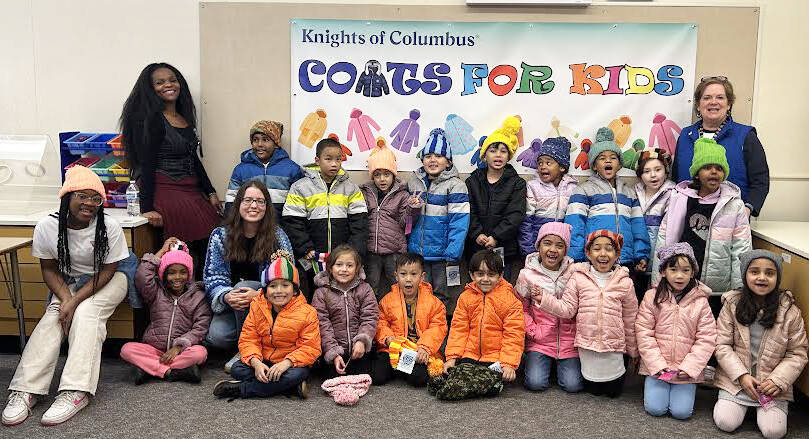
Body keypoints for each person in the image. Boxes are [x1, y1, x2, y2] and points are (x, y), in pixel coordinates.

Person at [2, 166, 129, 426]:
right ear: (67, 196)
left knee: (86, 313)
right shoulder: (47, 226)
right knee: (54, 317)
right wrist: (64, 300)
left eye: (96, 198)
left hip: (110, 278)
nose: (89, 203)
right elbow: (49, 269)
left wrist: (73, 301)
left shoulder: (109, 226)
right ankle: (26, 389)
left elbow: (108, 271)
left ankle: (76, 390)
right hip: (69, 281)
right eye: (82, 196)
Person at [119, 63, 221, 277]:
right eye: (160, 82)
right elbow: (145, 164)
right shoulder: (150, 120)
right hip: (164, 187)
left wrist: (210, 191)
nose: (168, 85)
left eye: (172, 80)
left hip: (190, 188)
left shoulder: (183, 117)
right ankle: (182, 286)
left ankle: (202, 286)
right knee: (185, 236)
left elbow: (193, 158)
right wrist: (147, 207)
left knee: (214, 229)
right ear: (150, 89)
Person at [713, 250, 808, 439]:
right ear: (745, 275)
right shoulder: (731, 305)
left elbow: (797, 353)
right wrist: (741, 376)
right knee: (726, 422)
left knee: (774, 432)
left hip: (771, 386)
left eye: (770, 273)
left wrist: (777, 381)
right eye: (754, 271)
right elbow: (722, 345)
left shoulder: (789, 311)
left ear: (777, 277)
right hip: (736, 382)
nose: (762, 277)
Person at [534, 230, 639, 398]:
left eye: (609, 249)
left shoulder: (625, 282)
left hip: (614, 347)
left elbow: (630, 318)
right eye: (597, 249)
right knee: (593, 391)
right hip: (587, 346)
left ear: (617, 254)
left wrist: (633, 351)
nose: (603, 254)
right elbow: (567, 309)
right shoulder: (578, 278)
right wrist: (545, 299)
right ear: (588, 253)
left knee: (613, 392)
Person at [653, 138, 752, 316]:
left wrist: (739, 288)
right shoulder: (679, 199)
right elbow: (663, 242)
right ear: (697, 173)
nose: (714, 172)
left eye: (719, 168)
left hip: (716, 288)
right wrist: (656, 282)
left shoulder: (734, 205)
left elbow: (741, 248)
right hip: (681, 282)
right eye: (707, 167)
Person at [203, 180, 293, 371]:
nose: (254, 206)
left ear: (267, 207)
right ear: (238, 204)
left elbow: (287, 279)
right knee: (217, 337)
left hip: (268, 306)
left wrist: (260, 296)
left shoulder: (277, 236)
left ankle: (247, 352)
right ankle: (262, 344)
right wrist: (225, 296)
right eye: (248, 200)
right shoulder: (220, 235)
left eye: (260, 201)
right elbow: (212, 276)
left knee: (243, 288)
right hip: (233, 304)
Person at [213, 252, 321, 399]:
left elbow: (310, 348)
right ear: (265, 290)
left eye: (285, 285)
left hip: (289, 364)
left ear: (295, 290)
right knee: (237, 369)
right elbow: (248, 339)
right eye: (273, 286)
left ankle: (242, 389)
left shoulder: (308, 313)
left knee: (298, 373)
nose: (279, 291)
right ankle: (288, 388)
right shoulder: (257, 307)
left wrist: (287, 363)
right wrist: (256, 362)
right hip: (264, 360)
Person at [635, 242, 717, 420]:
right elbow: (644, 332)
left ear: (692, 272)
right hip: (657, 369)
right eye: (673, 270)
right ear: (663, 271)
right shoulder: (651, 297)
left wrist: (690, 368)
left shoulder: (701, 301)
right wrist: (657, 365)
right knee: (656, 409)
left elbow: (707, 338)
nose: (679, 276)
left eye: (686, 270)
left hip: (685, 371)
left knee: (681, 412)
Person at [283, 137, 369, 298]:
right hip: (311, 257)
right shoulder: (300, 187)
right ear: (317, 160)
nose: (334, 164)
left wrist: (353, 251)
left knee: (341, 298)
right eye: (328, 159)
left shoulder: (351, 189)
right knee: (312, 296)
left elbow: (360, 224)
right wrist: (305, 248)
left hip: (342, 260)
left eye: (338, 159)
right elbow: (292, 221)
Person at [673, 76, 769, 218]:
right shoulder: (685, 135)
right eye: (707, 98)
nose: (713, 102)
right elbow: (676, 178)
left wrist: (747, 209)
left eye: (720, 97)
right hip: (688, 219)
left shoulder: (746, 136)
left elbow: (760, 181)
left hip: (730, 221)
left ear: (729, 104)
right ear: (698, 104)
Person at [120, 237, 211, 385]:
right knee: (127, 349)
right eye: (171, 273)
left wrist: (178, 347)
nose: (177, 277)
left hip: (181, 351)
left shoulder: (198, 296)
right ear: (164, 274)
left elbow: (200, 328)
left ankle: (149, 368)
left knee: (200, 353)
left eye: (183, 272)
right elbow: (142, 276)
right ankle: (172, 372)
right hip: (154, 349)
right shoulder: (156, 292)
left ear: (189, 274)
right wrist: (161, 252)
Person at [565, 127, 650, 272]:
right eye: (602, 158)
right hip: (595, 261)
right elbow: (575, 226)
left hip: (625, 260)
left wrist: (640, 255)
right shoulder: (583, 191)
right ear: (594, 165)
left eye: (613, 157)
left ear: (620, 164)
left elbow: (638, 226)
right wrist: (576, 257)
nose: (608, 161)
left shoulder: (629, 193)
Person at [407, 128, 470, 317]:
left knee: (442, 296)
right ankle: (421, 330)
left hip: (443, 255)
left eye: (439, 156)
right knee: (420, 295)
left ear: (448, 161)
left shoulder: (456, 185)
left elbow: (459, 221)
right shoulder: (414, 182)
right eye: (428, 156)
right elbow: (408, 218)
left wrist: (453, 251)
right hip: (419, 254)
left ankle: (441, 332)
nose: (432, 160)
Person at [514, 222, 582, 393]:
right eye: (547, 243)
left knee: (573, 385)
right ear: (538, 246)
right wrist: (533, 331)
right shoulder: (527, 275)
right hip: (540, 342)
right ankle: (538, 363)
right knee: (535, 383)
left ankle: (556, 367)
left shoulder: (574, 273)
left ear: (565, 250)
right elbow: (519, 308)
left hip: (568, 342)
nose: (553, 250)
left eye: (559, 245)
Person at [444, 250, 524, 384]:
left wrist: (508, 364)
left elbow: (513, 335)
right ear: (472, 275)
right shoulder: (465, 298)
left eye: (491, 274)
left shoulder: (511, 302)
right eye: (480, 274)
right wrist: (452, 357)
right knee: (459, 379)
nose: (485, 279)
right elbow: (459, 330)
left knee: (488, 384)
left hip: (496, 358)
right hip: (470, 354)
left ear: (500, 276)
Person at [465, 116, 527, 283]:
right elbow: (468, 210)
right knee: (476, 290)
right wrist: (477, 234)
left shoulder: (517, 183)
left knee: (502, 290)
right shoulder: (472, 181)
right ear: (484, 156)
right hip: (476, 247)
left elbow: (516, 214)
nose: (498, 155)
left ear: (509, 156)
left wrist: (496, 237)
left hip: (504, 248)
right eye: (493, 150)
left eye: (503, 151)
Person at [373, 253, 447, 387]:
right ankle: (400, 369)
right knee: (377, 376)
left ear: (422, 277)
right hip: (394, 348)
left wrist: (425, 347)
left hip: (418, 350)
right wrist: (387, 338)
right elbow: (381, 322)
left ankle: (401, 369)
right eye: (403, 274)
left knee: (418, 379)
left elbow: (437, 327)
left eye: (413, 274)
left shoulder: (434, 303)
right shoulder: (387, 300)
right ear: (396, 276)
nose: (408, 279)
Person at [311, 245, 378, 378]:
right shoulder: (321, 293)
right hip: (333, 349)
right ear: (330, 268)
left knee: (370, 375)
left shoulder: (365, 289)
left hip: (358, 349)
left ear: (357, 268)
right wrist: (333, 352)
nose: (344, 269)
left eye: (349, 265)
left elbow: (370, 317)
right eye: (339, 265)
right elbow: (322, 324)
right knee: (331, 376)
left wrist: (362, 341)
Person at [360, 138, 411, 299]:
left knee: (397, 288)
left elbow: (405, 223)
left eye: (386, 174)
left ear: (393, 175)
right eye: (377, 175)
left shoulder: (402, 195)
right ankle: (371, 314)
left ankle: (399, 313)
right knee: (370, 287)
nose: (382, 179)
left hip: (394, 251)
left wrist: (413, 209)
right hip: (372, 251)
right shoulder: (366, 193)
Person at [224, 120, 303, 218]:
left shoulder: (292, 169)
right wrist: (230, 223)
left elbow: (298, 204)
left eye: (265, 140)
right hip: (249, 223)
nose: (260, 144)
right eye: (255, 140)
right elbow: (231, 200)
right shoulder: (241, 170)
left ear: (276, 143)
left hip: (281, 224)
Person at [518, 136, 578, 257]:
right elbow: (526, 222)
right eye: (540, 163)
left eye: (548, 163)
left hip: (561, 249)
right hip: (537, 247)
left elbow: (575, 223)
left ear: (562, 167)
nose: (542, 166)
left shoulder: (572, 188)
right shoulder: (533, 187)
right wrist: (529, 251)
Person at [634, 148, 675, 298]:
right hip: (638, 259)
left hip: (659, 259)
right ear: (640, 175)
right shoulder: (634, 192)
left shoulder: (672, 194)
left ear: (666, 171)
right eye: (646, 171)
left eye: (658, 169)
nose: (653, 175)